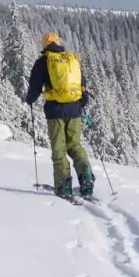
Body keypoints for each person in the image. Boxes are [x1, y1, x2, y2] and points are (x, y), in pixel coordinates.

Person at [23, 32, 95, 200]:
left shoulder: (43, 62)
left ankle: (63, 186)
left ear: (44, 45)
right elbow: (82, 86)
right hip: (75, 110)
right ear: (58, 43)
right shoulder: (71, 60)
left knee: (59, 149)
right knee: (75, 145)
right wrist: (80, 103)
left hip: (55, 111)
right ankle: (86, 179)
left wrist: (29, 100)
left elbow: (35, 87)